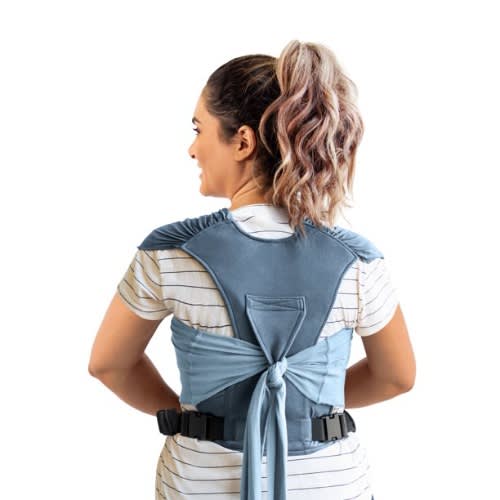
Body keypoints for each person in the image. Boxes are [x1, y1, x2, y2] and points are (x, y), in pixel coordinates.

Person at [89, 39, 416, 500]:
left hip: (200, 482)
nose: (192, 149)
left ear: (241, 141)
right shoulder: (357, 261)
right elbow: (396, 376)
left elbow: (109, 364)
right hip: (330, 484)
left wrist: (189, 415)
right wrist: (304, 404)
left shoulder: (169, 252)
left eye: (199, 129)